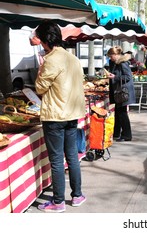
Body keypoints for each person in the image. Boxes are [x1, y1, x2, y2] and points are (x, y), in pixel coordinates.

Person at [34, 20, 86, 212]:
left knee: (57, 160)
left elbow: (40, 88)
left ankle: (58, 201)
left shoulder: (51, 59)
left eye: (40, 39)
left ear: (45, 39)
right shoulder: (72, 58)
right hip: (72, 114)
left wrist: (40, 69)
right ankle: (77, 195)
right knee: (72, 156)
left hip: (55, 116)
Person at [107, 46, 136, 142]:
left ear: (116, 55)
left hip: (123, 92)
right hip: (119, 92)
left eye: (111, 56)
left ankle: (127, 135)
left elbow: (127, 77)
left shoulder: (123, 63)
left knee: (122, 114)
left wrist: (115, 77)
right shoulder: (116, 63)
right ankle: (116, 133)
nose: (110, 58)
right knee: (119, 113)